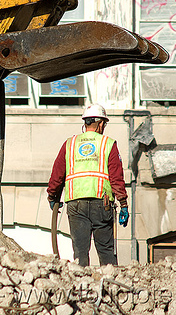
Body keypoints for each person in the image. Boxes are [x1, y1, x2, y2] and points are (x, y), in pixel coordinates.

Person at [47, 104, 129, 266]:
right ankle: (110, 286)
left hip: (76, 205)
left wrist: (52, 196)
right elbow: (116, 177)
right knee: (106, 250)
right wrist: (123, 203)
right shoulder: (108, 143)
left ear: (85, 123)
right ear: (100, 124)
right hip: (102, 205)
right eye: (104, 124)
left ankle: (81, 286)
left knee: (80, 251)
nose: (104, 127)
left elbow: (57, 174)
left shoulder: (70, 144)